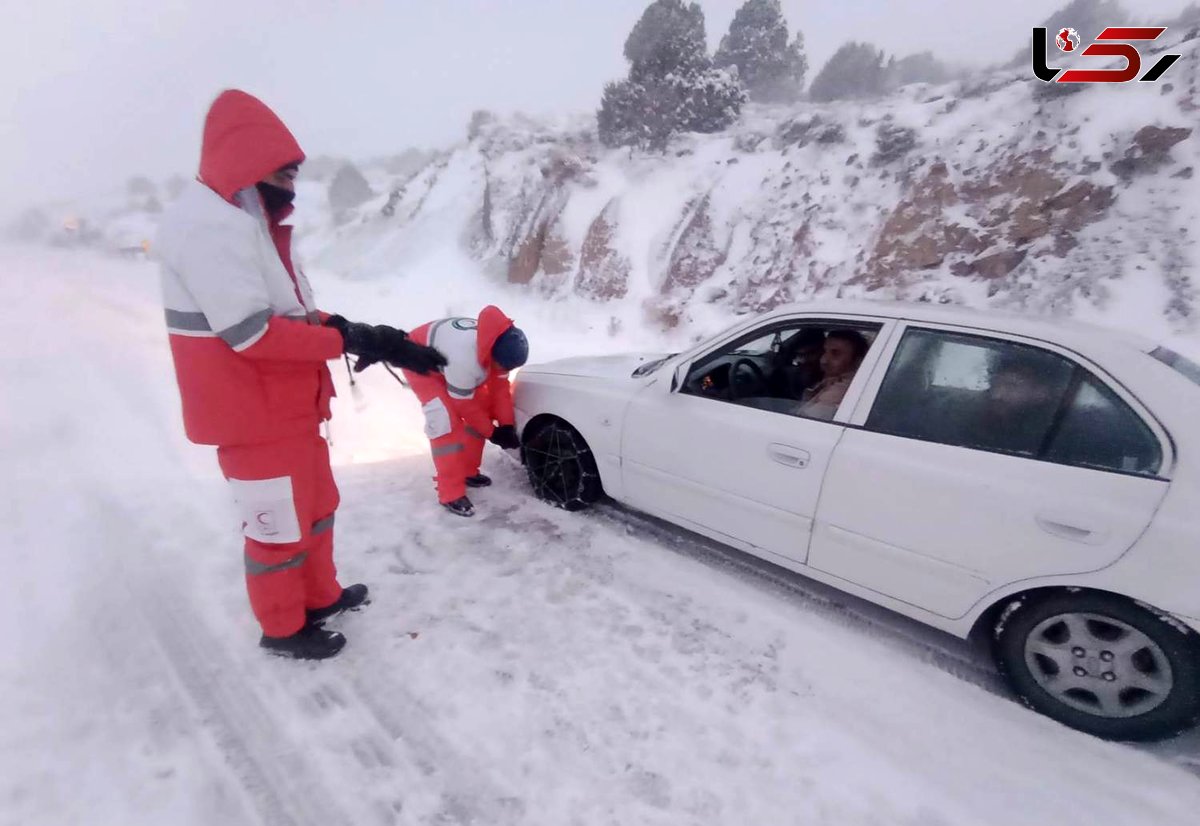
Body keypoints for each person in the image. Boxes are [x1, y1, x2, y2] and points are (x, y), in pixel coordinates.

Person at [155, 89, 446, 660]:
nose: (289, 188)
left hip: (288, 409)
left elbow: (293, 316)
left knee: (315, 511)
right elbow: (252, 334)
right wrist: (348, 338)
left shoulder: (250, 224)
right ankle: (283, 628)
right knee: (276, 532)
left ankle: (319, 596)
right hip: (252, 418)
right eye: (282, 174)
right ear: (245, 163)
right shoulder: (208, 228)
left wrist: (363, 332)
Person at [400, 307, 529, 517]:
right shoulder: (466, 360)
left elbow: (500, 391)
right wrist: (493, 433)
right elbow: (464, 406)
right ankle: (449, 492)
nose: (504, 369)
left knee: (483, 407)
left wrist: (505, 425)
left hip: (448, 359)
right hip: (419, 360)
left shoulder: (498, 344)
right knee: (444, 420)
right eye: (503, 365)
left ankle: (468, 472)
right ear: (492, 353)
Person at [795, 330, 869, 420]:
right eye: (825, 351)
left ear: (857, 360)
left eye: (836, 354)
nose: (823, 360)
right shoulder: (832, 380)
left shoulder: (841, 390)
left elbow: (803, 421)